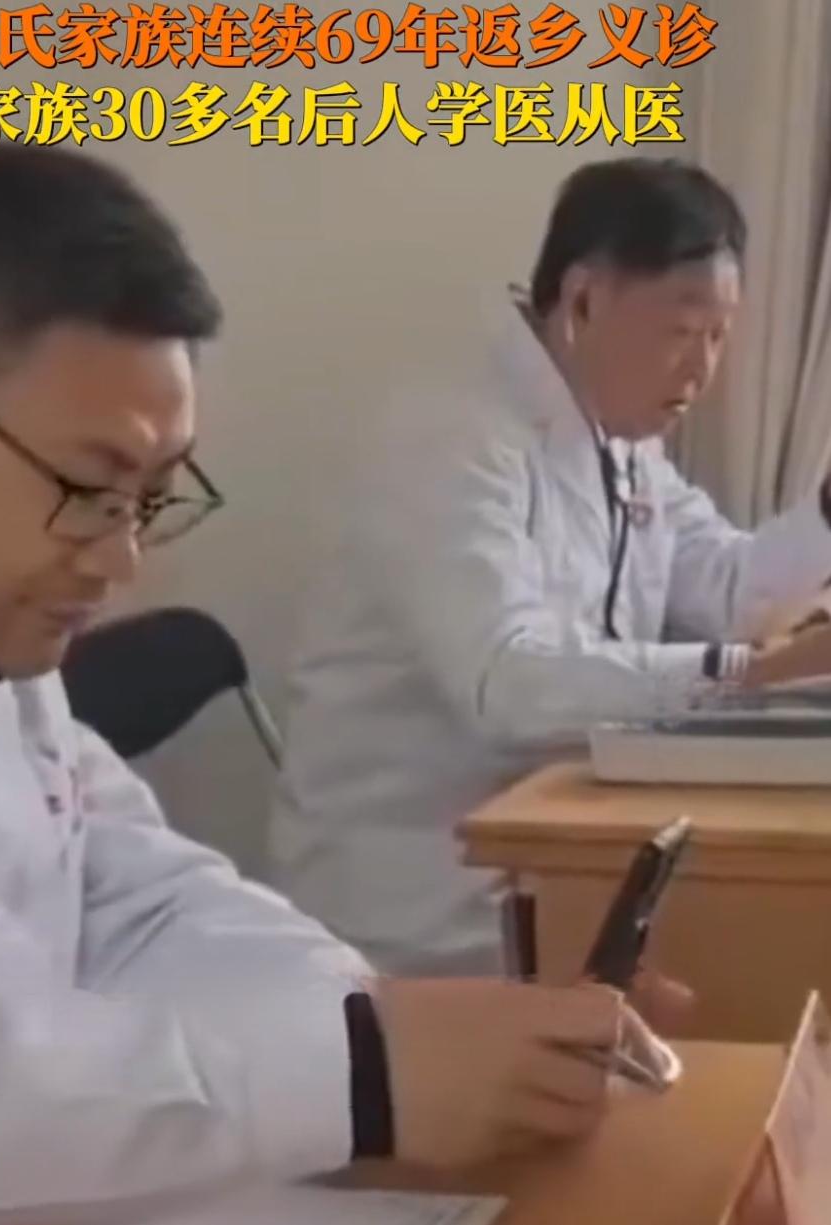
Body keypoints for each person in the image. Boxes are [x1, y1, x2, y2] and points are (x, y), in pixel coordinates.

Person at [0, 145, 668, 1225]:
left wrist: (380, 1028)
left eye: (149, 500)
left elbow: (138, 895)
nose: (121, 560)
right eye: (89, 486)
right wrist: (353, 1076)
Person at [269, 156, 831, 979]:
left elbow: (727, 588)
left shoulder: (618, 436)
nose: (703, 369)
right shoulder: (452, 437)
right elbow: (508, 684)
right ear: (583, 301)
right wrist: (749, 672)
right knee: (751, 959)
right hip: (421, 902)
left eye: (719, 337)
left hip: (561, 843)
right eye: (682, 332)